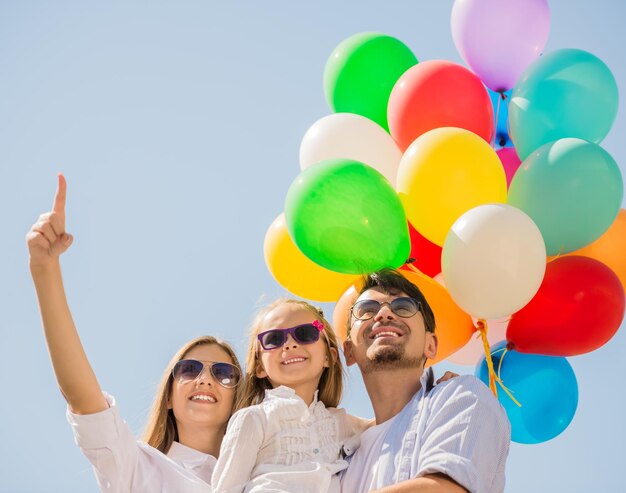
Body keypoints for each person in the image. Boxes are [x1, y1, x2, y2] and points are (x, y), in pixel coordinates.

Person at [26, 174, 242, 492]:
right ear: (168, 396)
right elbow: (84, 399)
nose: (205, 379)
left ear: (238, 397)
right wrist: (44, 269)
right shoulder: (136, 468)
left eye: (223, 372)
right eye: (189, 369)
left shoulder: (265, 476)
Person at [340, 269, 511, 493]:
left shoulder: (461, 397)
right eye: (366, 310)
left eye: (403, 307)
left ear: (430, 345)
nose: (383, 314)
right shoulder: (338, 453)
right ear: (349, 351)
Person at [211, 298, 371, 493]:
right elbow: (226, 489)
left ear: (329, 357)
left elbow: (390, 420)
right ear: (260, 366)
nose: (289, 344)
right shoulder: (254, 419)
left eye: (305, 333)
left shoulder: (341, 422)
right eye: (273, 339)